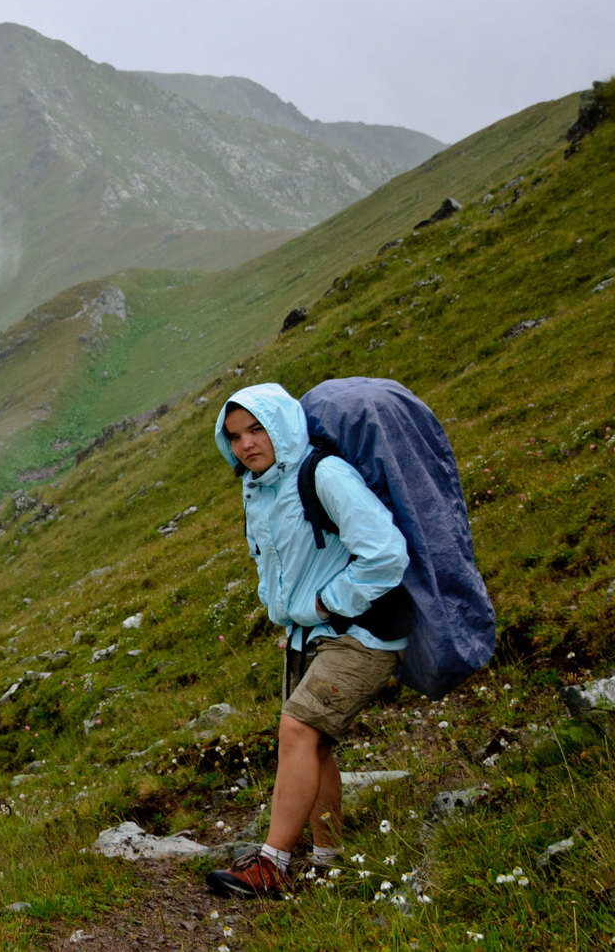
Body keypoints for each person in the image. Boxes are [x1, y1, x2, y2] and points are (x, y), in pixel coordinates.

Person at [206, 383, 409, 898]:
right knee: (314, 747)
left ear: (282, 426)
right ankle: (328, 857)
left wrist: (325, 604)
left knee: (296, 730)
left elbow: (386, 553)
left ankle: (272, 865)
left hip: (360, 631)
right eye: (234, 436)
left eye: (256, 429)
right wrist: (294, 617)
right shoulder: (259, 490)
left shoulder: (324, 474)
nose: (246, 444)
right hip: (310, 635)